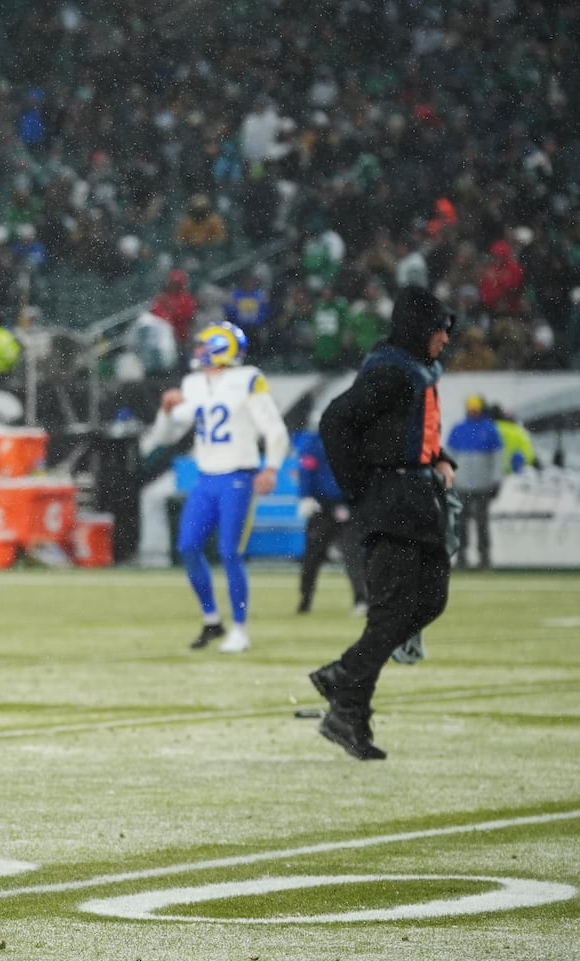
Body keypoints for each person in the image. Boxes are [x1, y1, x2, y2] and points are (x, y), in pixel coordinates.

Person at [310, 286, 458, 760]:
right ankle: (348, 710)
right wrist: (360, 488)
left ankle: (344, 680)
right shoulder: (393, 372)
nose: (445, 340)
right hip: (392, 500)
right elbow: (336, 421)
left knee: (430, 599)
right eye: (440, 330)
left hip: (415, 498)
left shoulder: (406, 368)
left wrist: (438, 458)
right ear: (421, 330)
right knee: (394, 611)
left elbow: (405, 433)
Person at [155, 322, 290, 653]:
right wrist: (165, 410)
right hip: (206, 477)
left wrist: (271, 467)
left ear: (221, 348)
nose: (198, 351)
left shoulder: (247, 378)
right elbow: (165, 436)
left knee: (230, 552)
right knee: (187, 547)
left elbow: (274, 429)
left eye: (205, 346)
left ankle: (240, 630)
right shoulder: (193, 383)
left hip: (238, 476)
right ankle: (212, 620)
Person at [294, 429, 367, 615]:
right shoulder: (316, 442)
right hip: (323, 505)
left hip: (345, 504)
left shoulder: (355, 441)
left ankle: (361, 598)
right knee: (315, 554)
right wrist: (305, 496)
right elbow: (306, 469)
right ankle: (306, 599)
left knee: (351, 553)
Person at [444, 394, 502, 570]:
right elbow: (450, 457)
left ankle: (484, 557)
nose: (473, 411)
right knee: (461, 523)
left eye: (475, 408)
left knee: (482, 523)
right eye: (471, 408)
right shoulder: (458, 429)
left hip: (483, 485)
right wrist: (449, 478)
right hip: (462, 484)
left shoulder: (490, 429)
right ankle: (462, 557)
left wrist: (496, 480)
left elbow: (497, 458)